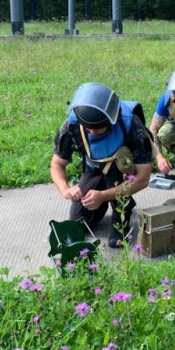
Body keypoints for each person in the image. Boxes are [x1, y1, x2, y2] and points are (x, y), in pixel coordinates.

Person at [51, 82, 153, 248]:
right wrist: (66, 189)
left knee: (113, 179)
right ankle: (101, 202)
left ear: (111, 121)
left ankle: (122, 214)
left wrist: (104, 196)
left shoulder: (131, 125)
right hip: (93, 170)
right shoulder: (72, 124)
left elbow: (142, 178)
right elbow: (57, 164)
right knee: (79, 222)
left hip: (122, 173)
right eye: (88, 128)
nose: (92, 132)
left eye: (97, 128)